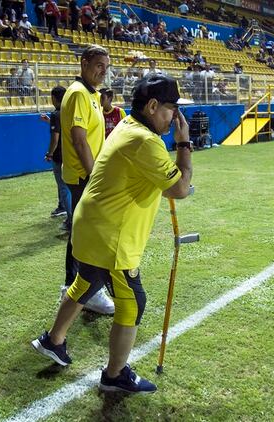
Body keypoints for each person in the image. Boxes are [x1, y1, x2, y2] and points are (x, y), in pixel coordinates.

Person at [31, 73, 194, 394]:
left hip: (90, 224)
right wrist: (184, 143)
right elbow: (180, 188)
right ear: (152, 106)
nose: (175, 116)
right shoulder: (145, 141)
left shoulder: (128, 126)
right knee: (133, 302)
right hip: (111, 235)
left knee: (87, 281)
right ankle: (115, 375)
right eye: (171, 108)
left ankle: (54, 340)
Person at [58, 45, 114, 314]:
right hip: (84, 177)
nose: (103, 70)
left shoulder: (92, 94)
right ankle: (80, 287)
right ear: (84, 63)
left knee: (83, 232)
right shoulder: (79, 94)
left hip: (86, 176)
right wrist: (94, 177)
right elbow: (80, 140)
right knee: (88, 234)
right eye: (99, 64)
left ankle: (75, 286)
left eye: (107, 66)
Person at [42, 86, 72, 227]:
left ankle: (70, 219)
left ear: (54, 98)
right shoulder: (69, 111)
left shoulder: (56, 114)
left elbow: (55, 137)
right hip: (70, 154)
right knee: (69, 186)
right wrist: (49, 121)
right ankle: (68, 213)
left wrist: (49, 153)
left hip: (59, 155)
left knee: (63, 187)